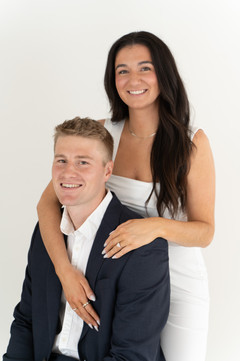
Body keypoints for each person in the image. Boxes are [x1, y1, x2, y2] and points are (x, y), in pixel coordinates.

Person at [37, 31, 215, 361]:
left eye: (144, 68)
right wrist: (65, 270)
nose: (133, 79)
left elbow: (204, 231)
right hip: (112, 279)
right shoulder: (103, 132)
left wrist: (154, 227)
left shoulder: (192, 142)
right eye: (122, 70)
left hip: (179, 284)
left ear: (164, 73)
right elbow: (47, 203)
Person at [3, 117, 170, 361]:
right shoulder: (46, 232)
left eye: (83, 162)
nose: (68, 171)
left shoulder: (143, 247)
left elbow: (131, 356)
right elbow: (26, 321)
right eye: (61, 160)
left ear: (108, 171)